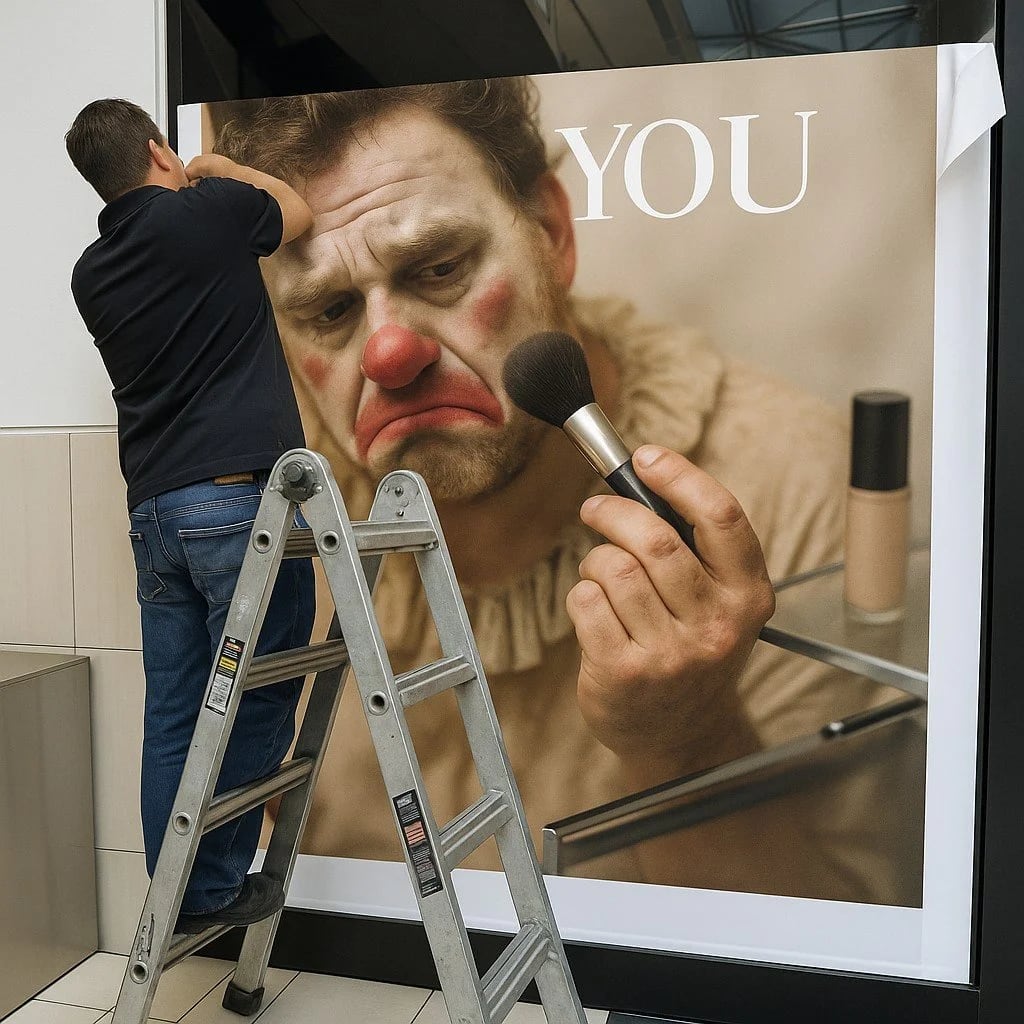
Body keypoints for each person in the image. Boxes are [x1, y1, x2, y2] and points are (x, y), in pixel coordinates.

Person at [201, 79, 921, 904]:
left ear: (551, 234)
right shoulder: (267, 514)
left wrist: (685, 740)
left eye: (440, 268)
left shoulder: (793, 485)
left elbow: (843, 936)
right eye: (329, 311)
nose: (390, 355)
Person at [66, 99, 317, 932]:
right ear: (156, 150)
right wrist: (213, 166)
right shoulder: (206, 211)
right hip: (235, 508)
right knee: (257, 697)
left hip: (156, 518)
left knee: (175, 711)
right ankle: (209, 888)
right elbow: (297, 212)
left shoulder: (90, 272)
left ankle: (174, 889)